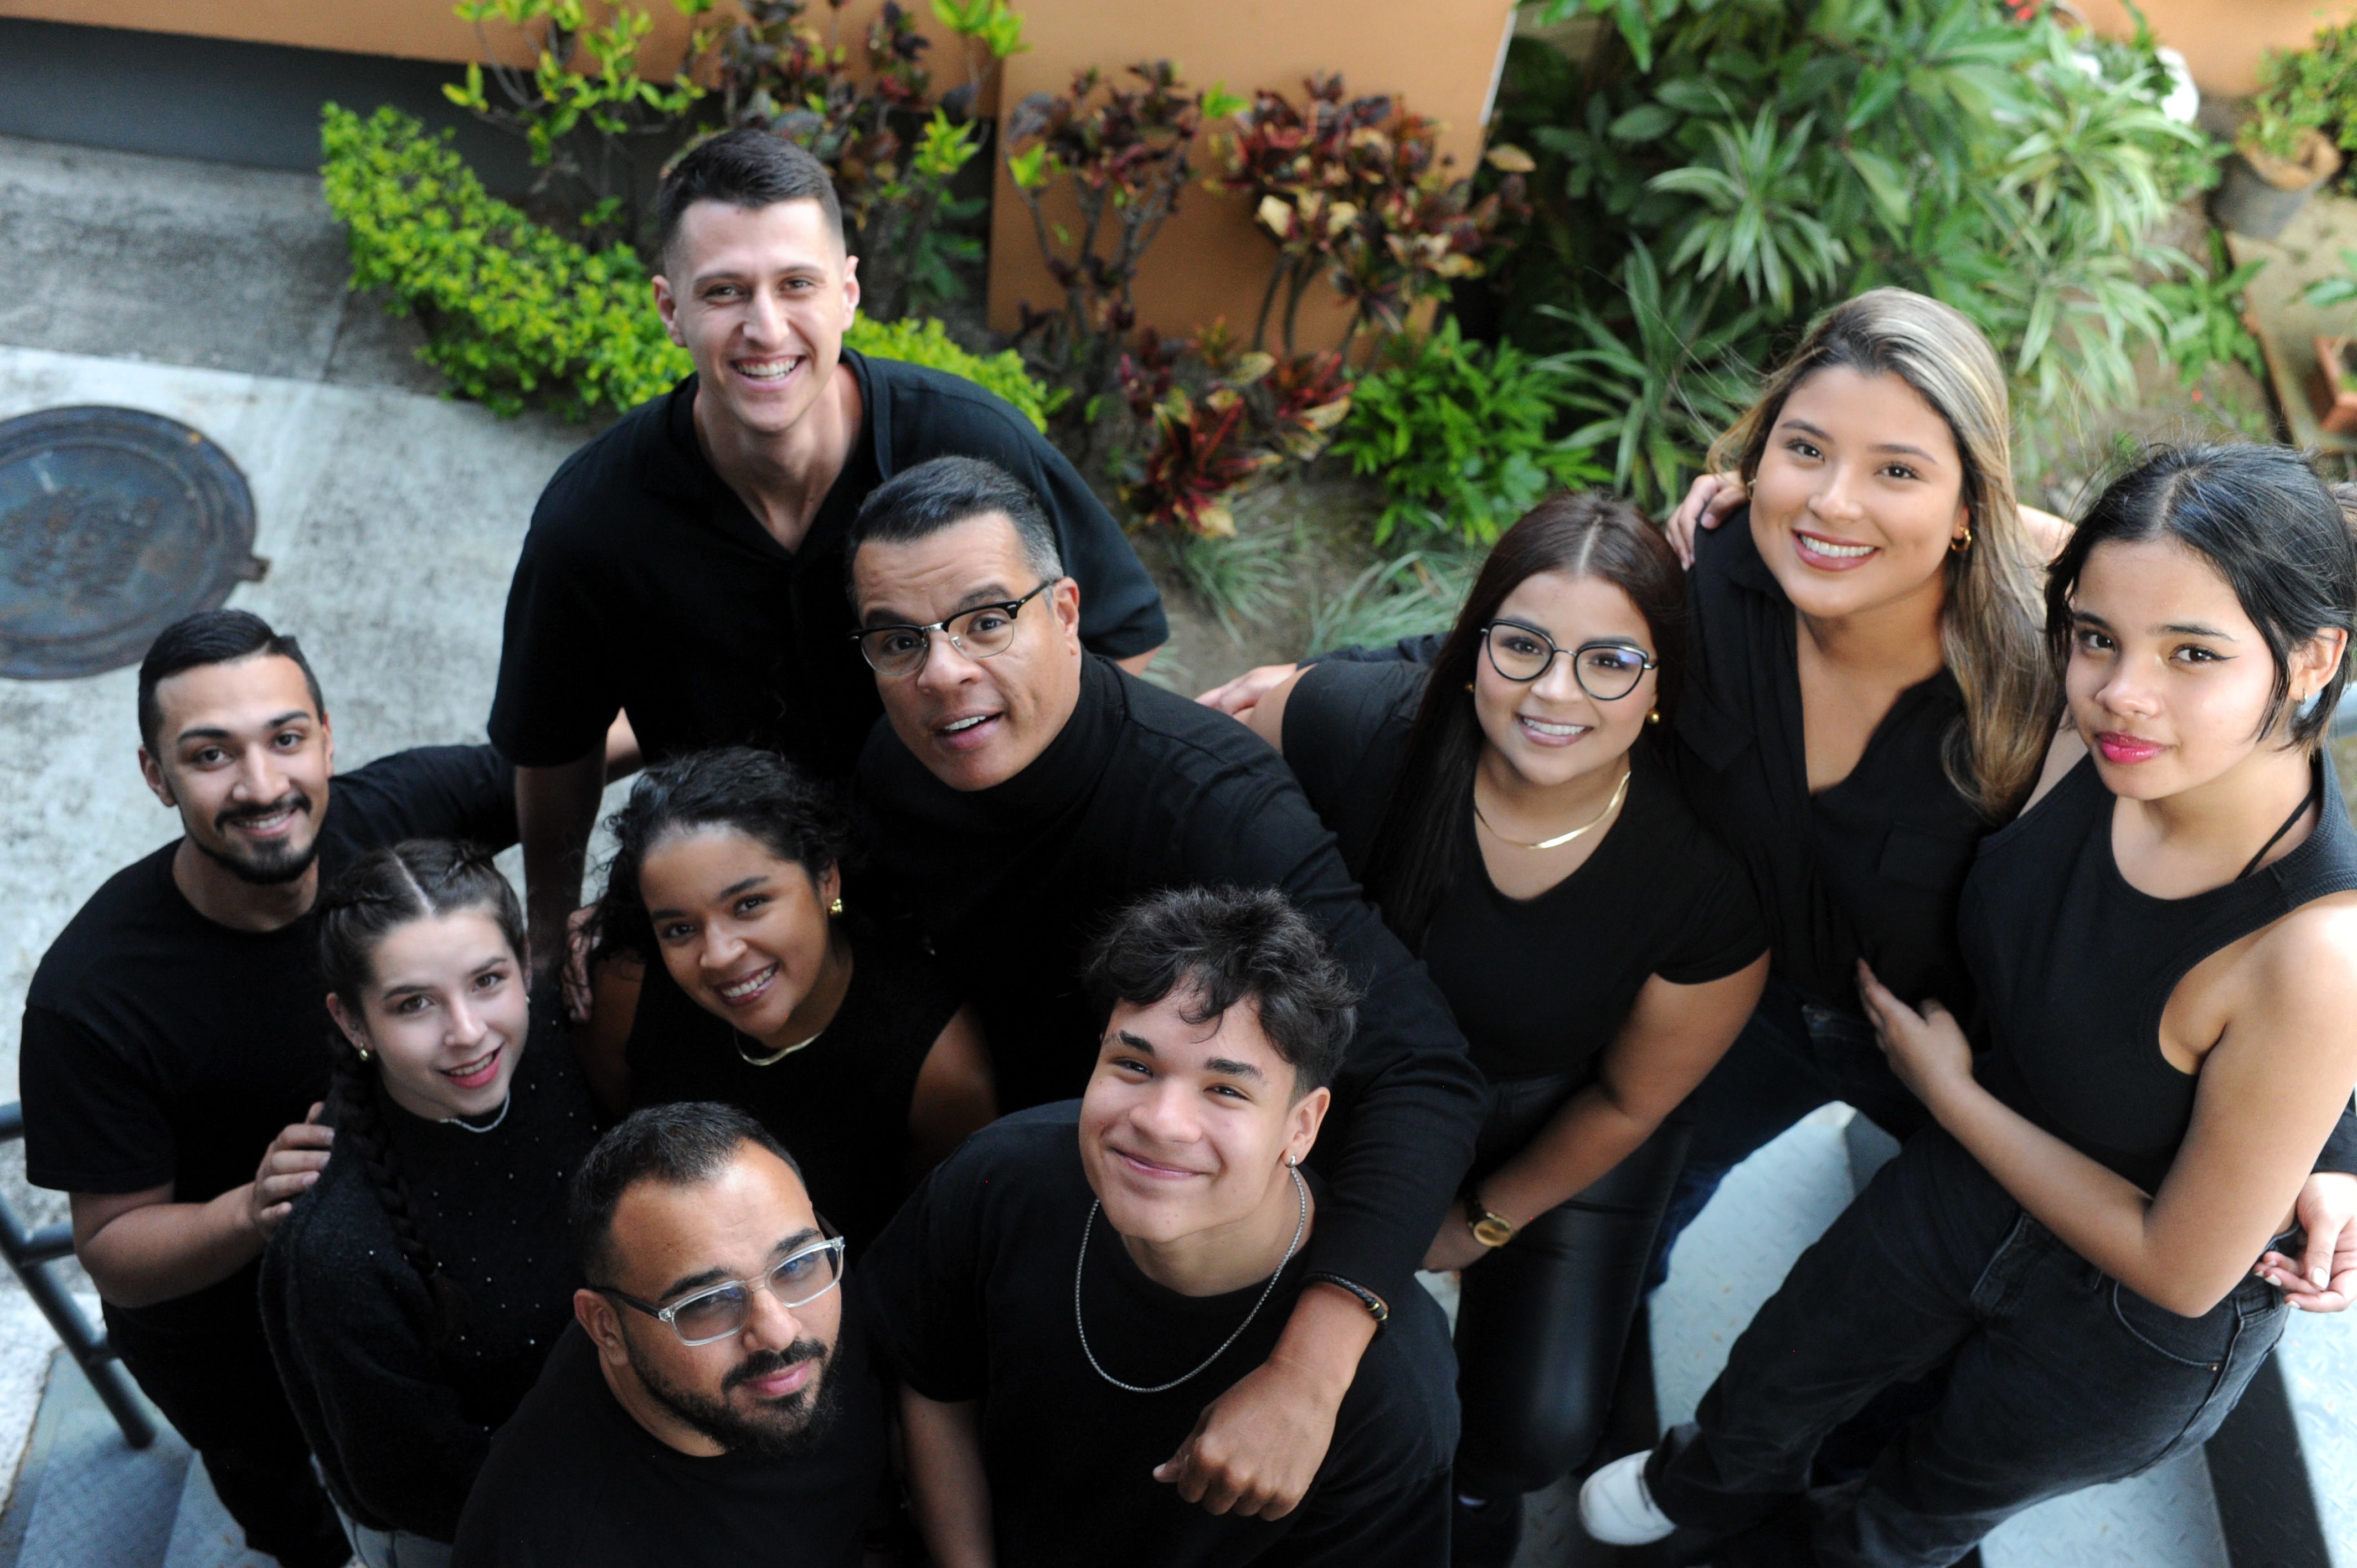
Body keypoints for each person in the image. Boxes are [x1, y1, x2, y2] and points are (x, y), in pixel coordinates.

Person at [1200, 286, 2357, 1311]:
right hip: (1730, 1009)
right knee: (1643, 1231)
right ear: (1756, 460)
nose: (1832, 504)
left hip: (1953, 1048)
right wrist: (1332, 688)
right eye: (1806, 451)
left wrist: (2332, 1137)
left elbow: (2272, 818)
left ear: (1968, 506)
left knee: (1919, 1299)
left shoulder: (2050, 670)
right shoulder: (1718, 577)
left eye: (1897, 470)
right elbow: (1554, 635)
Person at [1581, 441, 2357, 1565]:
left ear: (2310, 659)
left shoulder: (2311, 954)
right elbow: (2018, 537)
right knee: (1789, 1359)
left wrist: (1947, 1092)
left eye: (2193, 653)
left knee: (1914, 1513)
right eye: (2096, 637)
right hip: (1979, 1172)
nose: (2121, 693)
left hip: (2126, 1322)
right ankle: (1697, 1488)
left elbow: (2182, 1267)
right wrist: (1810, 492)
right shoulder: (2094, 722)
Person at [849, 455, 1486, 1520]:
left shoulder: (1216, 809)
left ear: (1065, 612)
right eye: (898, 639)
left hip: (1199, 1204)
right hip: (1015, 1194)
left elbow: (1426, 1070)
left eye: (985, 620)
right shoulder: (894, 761)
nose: (942, 673)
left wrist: (1309, 1375)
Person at [489, 129, 1167, 975]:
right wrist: (552, 935)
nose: (764, 328)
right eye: (725, 292)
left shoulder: (966, 438)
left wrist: (1018, 798)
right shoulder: (591, 522)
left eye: (796, 285)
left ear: (848, 292)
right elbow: (553, 749)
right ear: (671, 309)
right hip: (743, 910)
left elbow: (1116, 631)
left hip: (976, 862)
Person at [1242, 493, 1767, 1564]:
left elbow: (1632, 1098)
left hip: (1552, 1114)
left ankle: (1467, 1502)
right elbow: (1205, 779)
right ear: (1476, 642)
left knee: (1536, 1424)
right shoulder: (1362, 726)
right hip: (1358, 1081)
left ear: (1662, 683)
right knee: (1253, 1316)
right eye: (1523, 645)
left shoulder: (1705, 879)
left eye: (1610, 661)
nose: (1555, 692)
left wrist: (1474, 1224)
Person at [16, 609, 547, 1568]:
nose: (262, 786)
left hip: (406, 1284)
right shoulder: (92, 997)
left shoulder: (393, 813)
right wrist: (247, 1211)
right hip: (230, 1343)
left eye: (286, 739)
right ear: (156, 775)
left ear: (327, 739)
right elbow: (112, 1249)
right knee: (290, 1506)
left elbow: (583, 736)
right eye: (211, 754)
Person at [864, 886, 1457, 1567]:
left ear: (1302, 1126)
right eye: (1134, 1066)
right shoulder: (997, 1181)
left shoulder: (1392, 1390)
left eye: (1226, 1089)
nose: (1158, 1121)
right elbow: (935, 1384)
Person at [260, 842, 600, 1566]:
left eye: (487, 981)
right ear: (353, 1023)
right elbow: (417, 1484)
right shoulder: (335, 1252)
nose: (468, 1032)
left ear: (524, 963)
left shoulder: (566, 1047)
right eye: (414, 1004)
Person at [579, 745, 995, 1250]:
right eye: (680, 929)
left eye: (750, 904)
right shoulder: (628, 987)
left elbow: (934, 1257)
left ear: (826, 878)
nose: (720, 955)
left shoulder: (941, 1068)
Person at [452, 1101, 886, 1567]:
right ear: (606, 1327)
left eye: (795, 1262)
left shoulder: (829, 1288)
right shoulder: (536, 1541)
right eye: (707, 1303)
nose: (780, 1331)